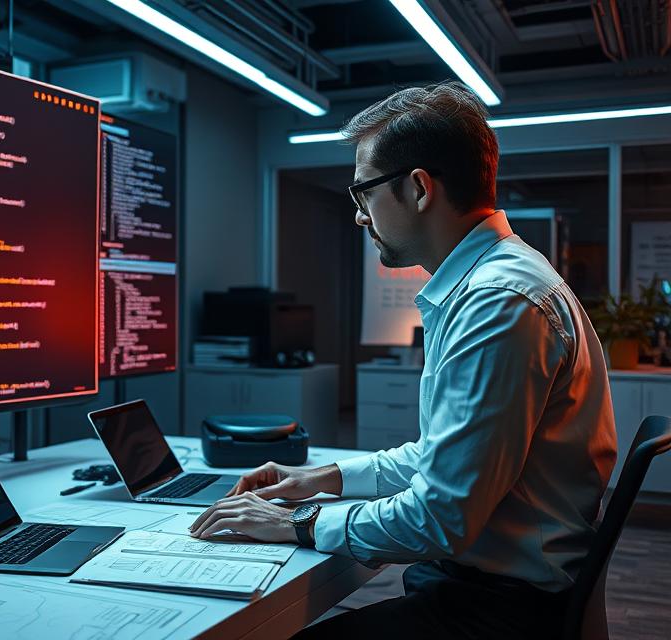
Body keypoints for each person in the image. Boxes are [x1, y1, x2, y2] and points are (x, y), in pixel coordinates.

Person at [189, 81, 618, 638]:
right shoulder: (493, 283)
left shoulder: (497, 302)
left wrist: (297, 521)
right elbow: (443, 458)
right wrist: (320, 479)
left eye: (363, 192)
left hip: (503, 610)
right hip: (485, 586)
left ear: (418, 189)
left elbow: (441, 516)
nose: (360, 216)